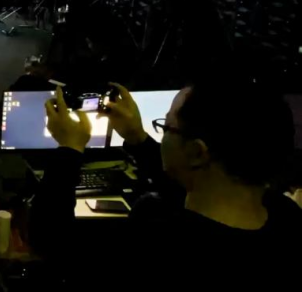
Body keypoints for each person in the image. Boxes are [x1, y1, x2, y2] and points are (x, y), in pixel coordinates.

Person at [31, 80, 301, 289]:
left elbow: (50, 239)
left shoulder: (154, 243)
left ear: (197, 152)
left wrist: (69, 148)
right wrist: (138, 139)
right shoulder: (285, 216)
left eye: (167, 126)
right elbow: (195, 193)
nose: (162, 133)